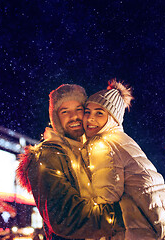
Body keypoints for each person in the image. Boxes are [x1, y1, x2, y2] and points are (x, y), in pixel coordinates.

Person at [78, 79, 165, 239]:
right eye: (87, 112)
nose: (90, 118)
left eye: (99, 113)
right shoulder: (122, 139)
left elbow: (107, 194)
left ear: (113, 118)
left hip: (141, 225)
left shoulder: (102, 143)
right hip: (161, 222)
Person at [16, 84, 124, 240]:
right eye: (65, 111)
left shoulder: (94, 152)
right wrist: (125, 214)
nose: (74, 117)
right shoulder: (47, 155)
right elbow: (66, 219)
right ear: (55, 118)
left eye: (79, 109)